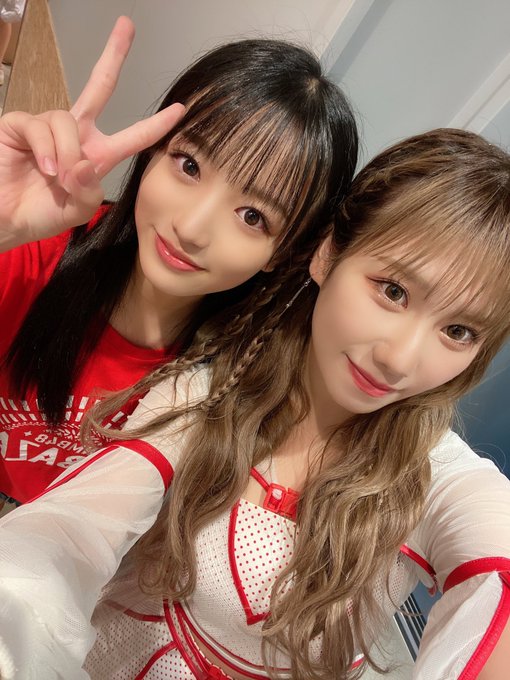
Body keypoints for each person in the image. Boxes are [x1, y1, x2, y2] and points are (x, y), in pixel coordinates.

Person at [1, 127, 509, 680]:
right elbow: (68, 535)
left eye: (458, 331)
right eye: (393, 291)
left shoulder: (439, 480)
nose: (400, 359)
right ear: (327, 255)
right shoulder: (208, 394)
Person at [0, 16, 358, 507]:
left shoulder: (236, 383)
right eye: (190, 165)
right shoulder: (36, 255)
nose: (191, 228)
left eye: (253, 216)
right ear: (154, 148)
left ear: (285, 253)